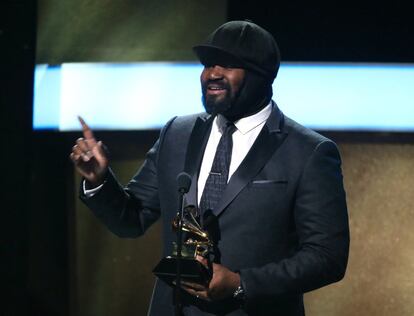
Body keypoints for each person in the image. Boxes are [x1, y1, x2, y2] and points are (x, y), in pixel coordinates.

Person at [70, 20, 349, 316]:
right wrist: (99, 181)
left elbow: (327, 258)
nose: (212, 74)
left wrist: (242, 284)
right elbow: (132, 219)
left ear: (261, 75)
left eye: (227, 65)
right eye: (207, 64)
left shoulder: (309, 152)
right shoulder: (177, 133)